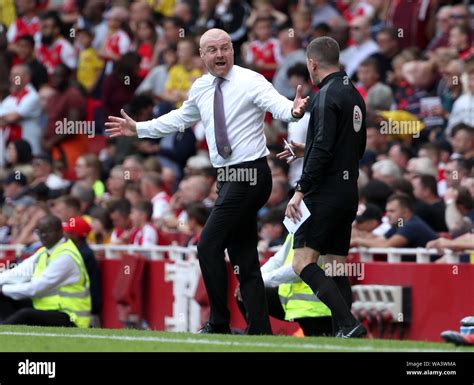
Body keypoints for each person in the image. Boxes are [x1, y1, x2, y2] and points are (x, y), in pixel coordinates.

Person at [105, 28, 309, 335]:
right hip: (227, 177)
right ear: (202, 56)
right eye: (212, 50)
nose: (219, 54)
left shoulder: (250, 80)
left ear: (232, 51)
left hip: (251, 174)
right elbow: (179, 118)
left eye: (224, 48)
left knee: (208, 245)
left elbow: (278, 106)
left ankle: (218, 322)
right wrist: (139, 128)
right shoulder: (201, 87)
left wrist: (293, 113)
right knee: (243, 256)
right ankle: (260, 329)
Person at [284, 36, 367, 338]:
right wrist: (304, 149)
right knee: (334, 266)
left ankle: (348, 324)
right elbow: (353, 148)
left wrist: (300, 189)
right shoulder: (354, 95)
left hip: (325, 193)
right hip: (348, 192)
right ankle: (341, 334)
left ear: (312, 63)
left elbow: (323, 147)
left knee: (302, 262)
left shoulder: (324, 96)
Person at [0, 215, 91, 327]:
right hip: (49, 308)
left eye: (48, 232)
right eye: (40, 232)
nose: (43, 236)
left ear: (60, 232)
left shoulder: (66, 257)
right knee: (4, 298)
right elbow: (18, 272)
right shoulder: (44, 251)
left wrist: (3, 289)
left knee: (25, 314)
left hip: (71, 316)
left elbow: (36, 288)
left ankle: (3, 332)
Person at [236, 233, 332, 336]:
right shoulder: (296, 229)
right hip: (294, 302)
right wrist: (252, 281)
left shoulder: (316, 229)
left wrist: (258, 281)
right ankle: (260, 334)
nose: (286, 216)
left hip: (317, 307)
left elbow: (298, 270)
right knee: (247, 291)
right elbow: (277, 261)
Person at [63, 216, 101, 325]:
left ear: (76, 236)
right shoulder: (79, 251)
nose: (64, 235)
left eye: (68, 232)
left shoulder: (84, 254)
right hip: (81, 305)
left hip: (84, 309)